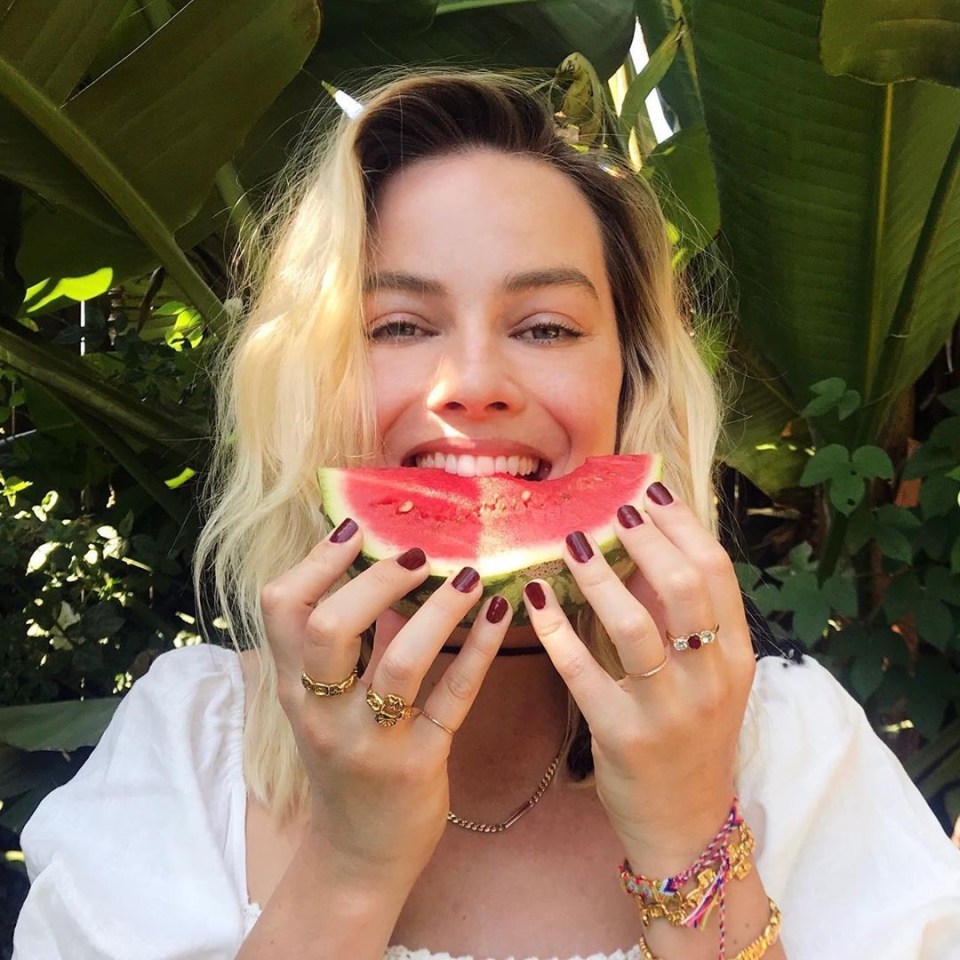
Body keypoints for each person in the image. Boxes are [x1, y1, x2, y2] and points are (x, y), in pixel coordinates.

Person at [12, 71, 960, 960]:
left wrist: (689, 833)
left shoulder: (781, 742)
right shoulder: (192, 745)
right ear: (310, 388)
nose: (471, 385)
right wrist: (350, 866)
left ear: (630, 385)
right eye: (397, 327)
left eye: (546, 326)